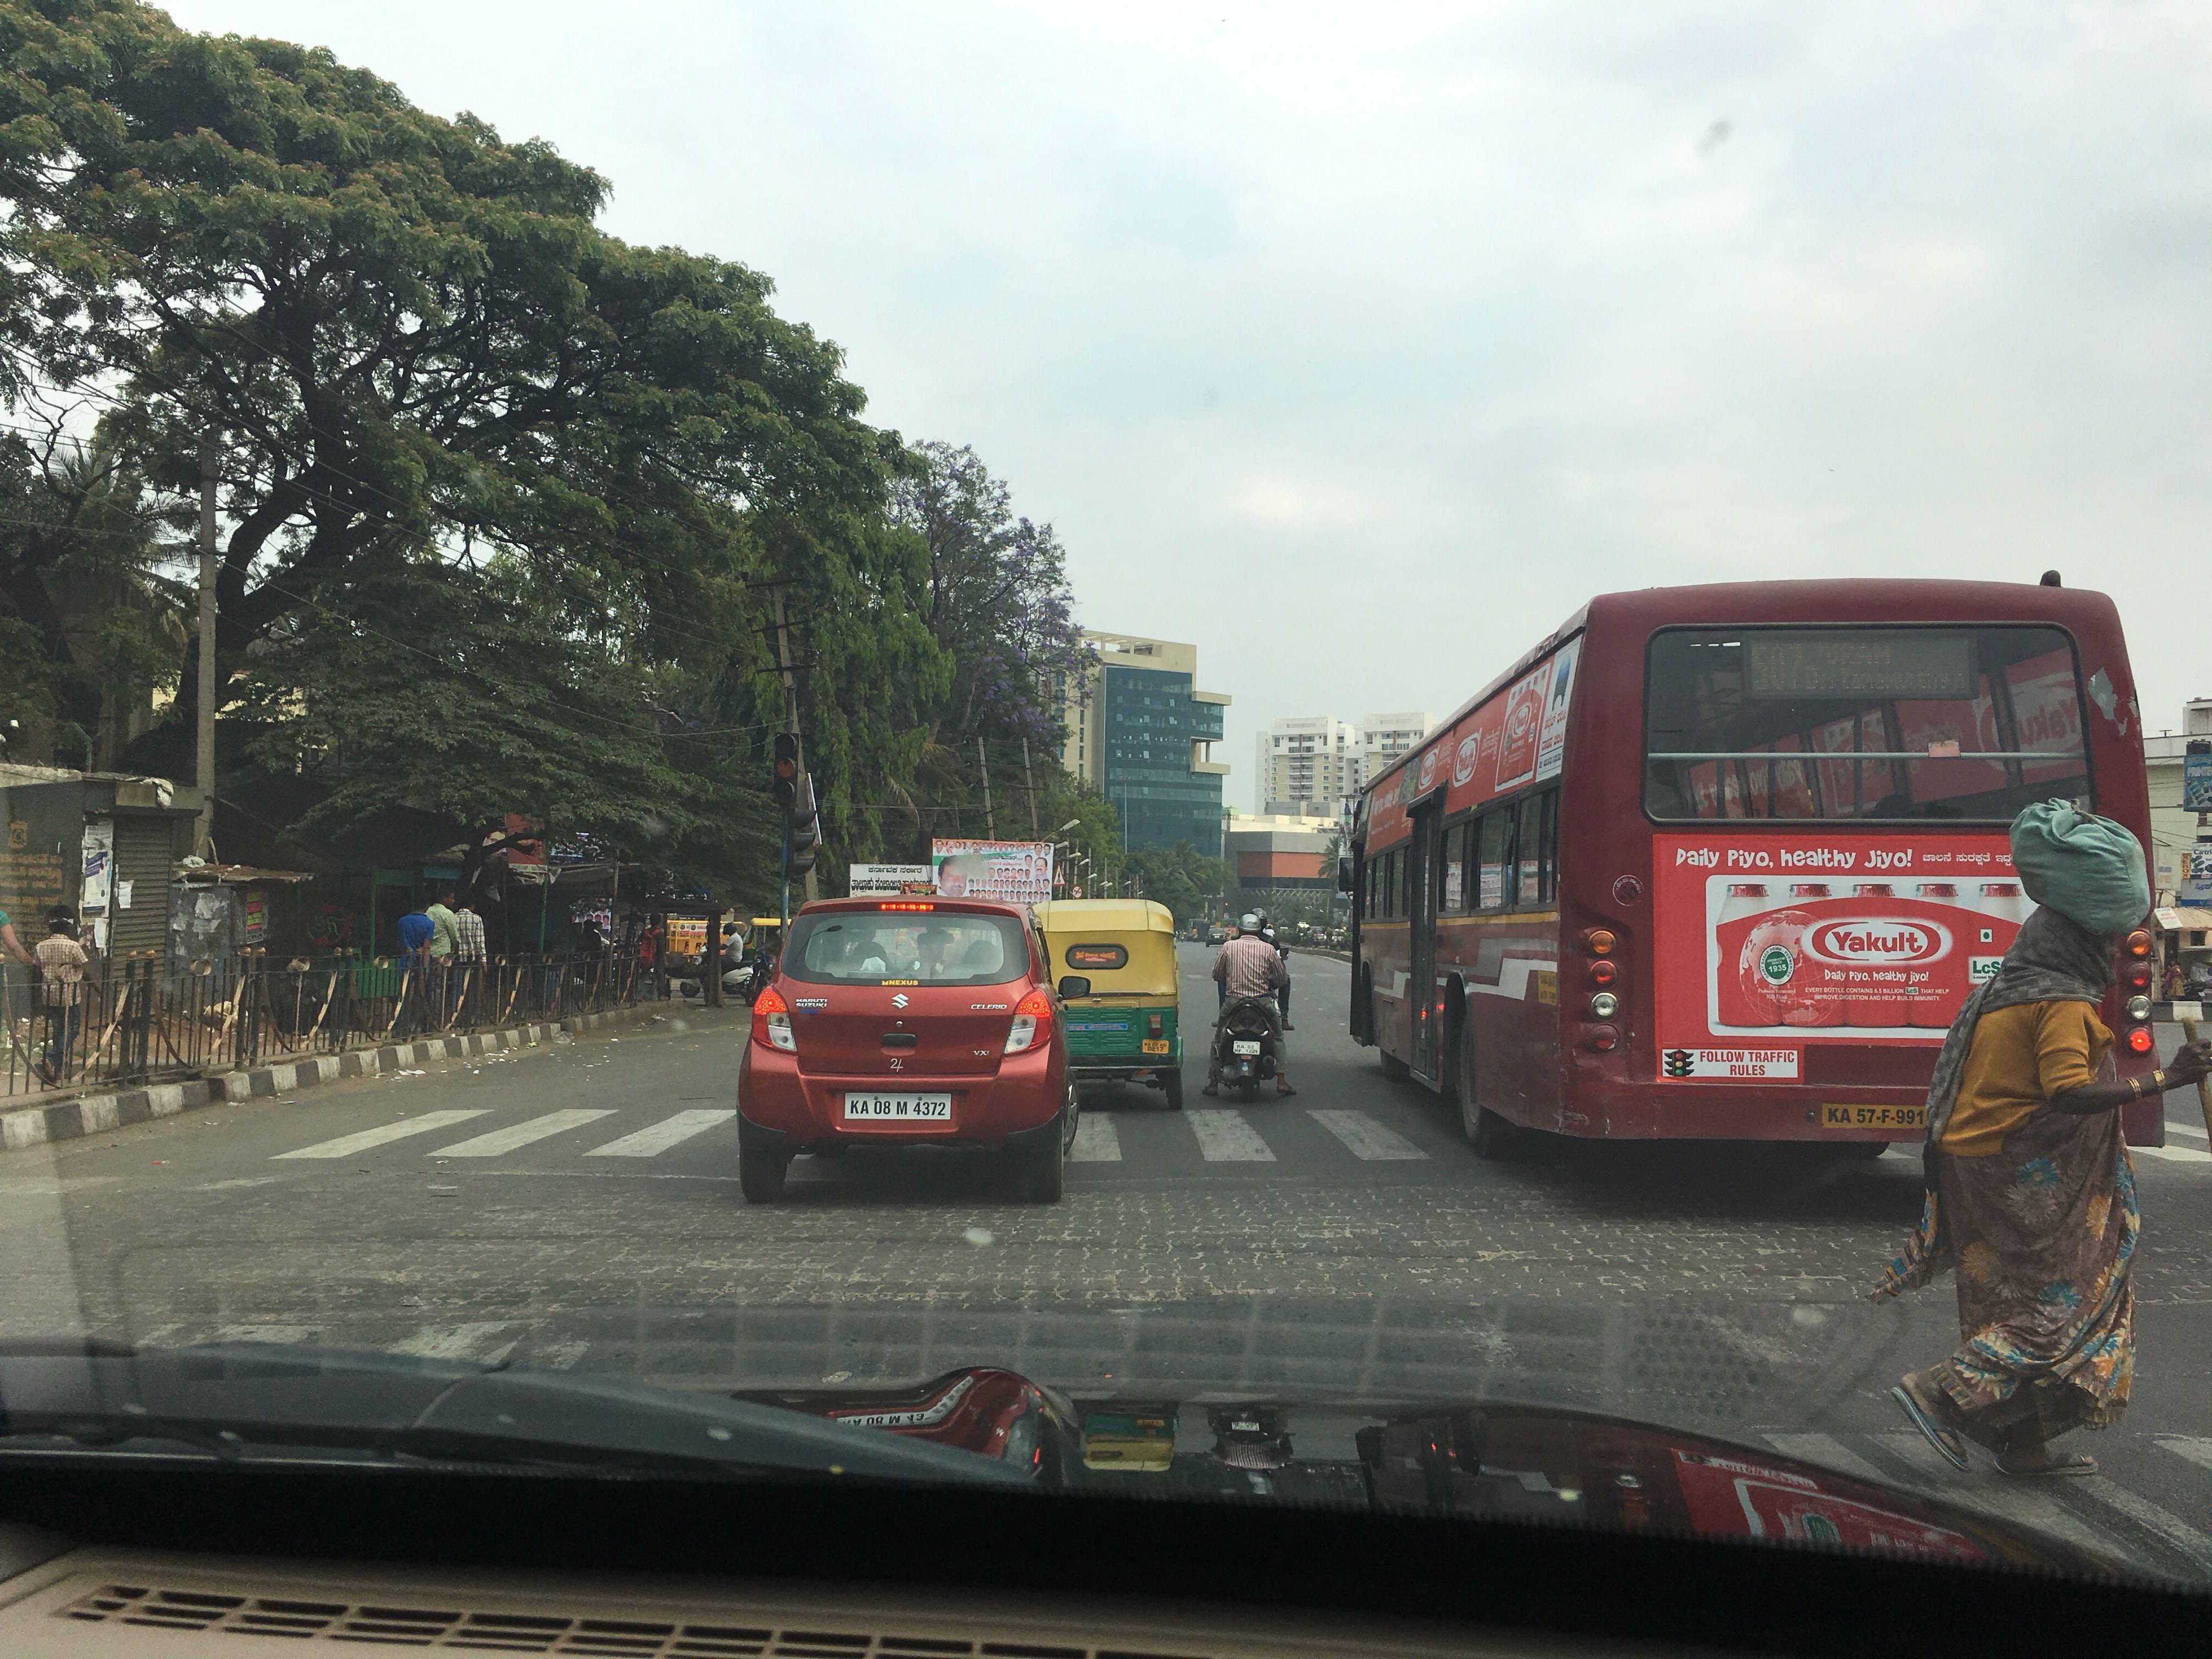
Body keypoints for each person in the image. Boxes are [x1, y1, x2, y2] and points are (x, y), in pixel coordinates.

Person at [1875, 802, 2212, 1479]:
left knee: (2006, 1302)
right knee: (2065, 1303)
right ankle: (1939, 1391)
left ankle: (2024, 1445)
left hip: (1976, 1163)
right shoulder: (2057, 1001)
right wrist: (2166, 1080)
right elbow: (2066, 1092)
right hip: (2016, 1174)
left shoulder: (2011, 986)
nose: (2113, 954)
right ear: (2077, 946)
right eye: (2106, 943)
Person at [1206, 912, 1294, 1098]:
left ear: (1240, 930)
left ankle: (1213, 1083)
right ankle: (1281, 1081)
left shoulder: (1228, 947)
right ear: (1259, 930)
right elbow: (1281, 978)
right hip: (1262, 1001)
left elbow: (1217, 974)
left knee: (1219, 1037)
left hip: (1234, 1001)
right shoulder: (1268, 949)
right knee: (1278, 1036)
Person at [33, 912, 91, 1084]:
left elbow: (37, 971)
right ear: (67, 929)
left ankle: (57, 1071)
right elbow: (84, 970)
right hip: (69, 995)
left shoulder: (41, 947)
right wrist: (97, 988)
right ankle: (51, 1058)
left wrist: (38, 996)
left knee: (59, 1030)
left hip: (49, 995)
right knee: (73, 1029)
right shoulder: (73, 946)